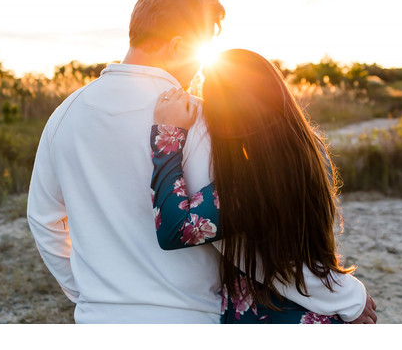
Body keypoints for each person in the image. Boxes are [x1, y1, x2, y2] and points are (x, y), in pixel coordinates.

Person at [27, 0, 374, 323]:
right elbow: (246, 244)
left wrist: (91, 294)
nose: (199, 68)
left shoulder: (64, 115)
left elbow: (44, 220)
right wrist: (343, 295)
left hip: (97, 320)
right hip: (189, 318)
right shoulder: (201, 121)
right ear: (178, 46)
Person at [150, 49, 377, 323]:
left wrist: (168, 135)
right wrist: (347, 294)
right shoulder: (310, 150)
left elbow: (175, 230)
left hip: (275, 315)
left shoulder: (250, 182)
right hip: (321, 311)